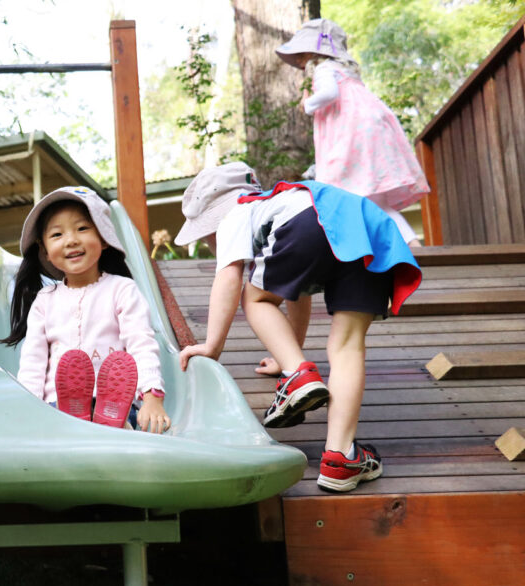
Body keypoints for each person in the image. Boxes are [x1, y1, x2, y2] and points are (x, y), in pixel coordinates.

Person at [175, 162, 421, 492]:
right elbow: (297, 293)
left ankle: (298, 374)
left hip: (309, 224)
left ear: (215, 216)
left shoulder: (240, 210)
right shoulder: (284, 200)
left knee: (255, 298)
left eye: (206, 236)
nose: (209, 242)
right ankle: (340, 459)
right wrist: (287, 357)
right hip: (369, 230)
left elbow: (228, 278)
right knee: (347, 347)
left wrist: (212, 346)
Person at [0, 187, 170, 434]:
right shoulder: (45, 300)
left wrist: (152, 395)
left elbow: (141, 342)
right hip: (55, 405)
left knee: (117, 411)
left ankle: (111, 422)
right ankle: (79, 419)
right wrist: (28, 408)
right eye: (57, 234)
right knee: (60, 409)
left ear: (103, 237)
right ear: (45, 250)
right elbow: (33, 362)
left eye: (82, 229)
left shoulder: (121, 289)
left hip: (116, 405)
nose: (71, 240)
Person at [276, 18, 429, 248]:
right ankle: (413, 247)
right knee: (375, 204)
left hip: (352, 138)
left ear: (313, 53)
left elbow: (328, 93)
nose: (298, 61)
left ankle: (369, 254)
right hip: (373, 133)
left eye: (301, 54)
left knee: (348, 201)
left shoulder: (324, 69)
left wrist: (308, 104)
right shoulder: (345, 71)